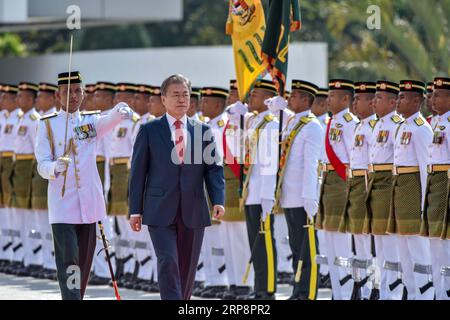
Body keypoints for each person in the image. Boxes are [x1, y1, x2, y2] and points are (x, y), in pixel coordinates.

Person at [34, 71, 133, 300]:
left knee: (84, 262)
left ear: (84, 93)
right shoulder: (47, 125)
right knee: (69, 259)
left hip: (88, 204)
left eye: (78, 91)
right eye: (68, 91)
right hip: (62, 205)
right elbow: (41, 164)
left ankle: (76, 296)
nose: (73, 96)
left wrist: (121, 109)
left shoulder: (90, 121)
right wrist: (54, 167)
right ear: (58, 95)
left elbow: (110, 119)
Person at [128, 74, 225, 300]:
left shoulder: (203, 131)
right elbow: (138, 174)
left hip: (193, 209)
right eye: (175, 95)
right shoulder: (149, 130)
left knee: (187, 268)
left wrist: (217, 199)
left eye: (185, 95)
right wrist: (136, 210)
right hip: (159, 209)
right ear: (163, 99)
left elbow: (213, 169)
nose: (181, 100)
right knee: (168, 261)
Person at [275, 80, 323, 300]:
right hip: (289, 194)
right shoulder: (293, 122)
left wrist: (309, 195)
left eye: (294, 96)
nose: (289, 99)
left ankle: (307, 291)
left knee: (307, 248)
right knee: (296, 248)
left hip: (303, 196)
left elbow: (311, 163)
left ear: (306, 100)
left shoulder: (312, 126)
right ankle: (298, 289)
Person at [388, 80, 434, 300]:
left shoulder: (421, 129)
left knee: (418, 250)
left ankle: (426, 294)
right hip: (400, 192)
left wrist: (426, 203)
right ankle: (412, 293)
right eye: (398, 97)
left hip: (414, 193)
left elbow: (427, 169)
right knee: (403, 250)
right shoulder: (402, 126)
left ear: (417, 101)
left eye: (403, 98)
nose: (398, 101)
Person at [235, 79, 279, 300]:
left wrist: (267, 196)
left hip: (262, 191)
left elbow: (270, 164)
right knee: (256, 242)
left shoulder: (270, 123)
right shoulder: (253, 122)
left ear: (266, 99)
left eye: (254, 94)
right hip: (251, 190)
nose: (250, 98)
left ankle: (268, 288)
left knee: (265, 241)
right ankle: (259, 286)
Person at [315, 79, 359, 300]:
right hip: (327, 181)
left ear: (345, 99)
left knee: (341, 242)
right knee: (329, 241)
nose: (328, 99)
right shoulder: (331, 121)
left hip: (342, 182)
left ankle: (348, 289)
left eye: (333, 96)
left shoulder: (350, 122)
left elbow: (354, 157)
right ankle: (337, 290)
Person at [338, 82, 377, 300]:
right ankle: (360, 286)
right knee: (358, 241)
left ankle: (374, 286)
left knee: (370, 242)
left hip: (367, 186)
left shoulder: (373, 127)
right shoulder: (360, 126)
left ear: (371, 103)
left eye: (358, 100)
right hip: (354, 185)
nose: (354, 103)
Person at [366, 80, 404, 300]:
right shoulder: (377, 125)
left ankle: (395, 292)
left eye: (379, 98)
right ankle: (382, 289)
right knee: (379, 244)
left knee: (391, 246)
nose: (374, 102)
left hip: (388, 186)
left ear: (392, 102)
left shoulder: (396, 125)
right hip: (375, 185)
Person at [420, 76, 450, 300]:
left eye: (438, 95)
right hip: (435, 185)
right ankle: (439, 293)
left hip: (447, 185)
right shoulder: (436, 123)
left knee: (446, 246)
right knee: (436, 245)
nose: (432, 99)